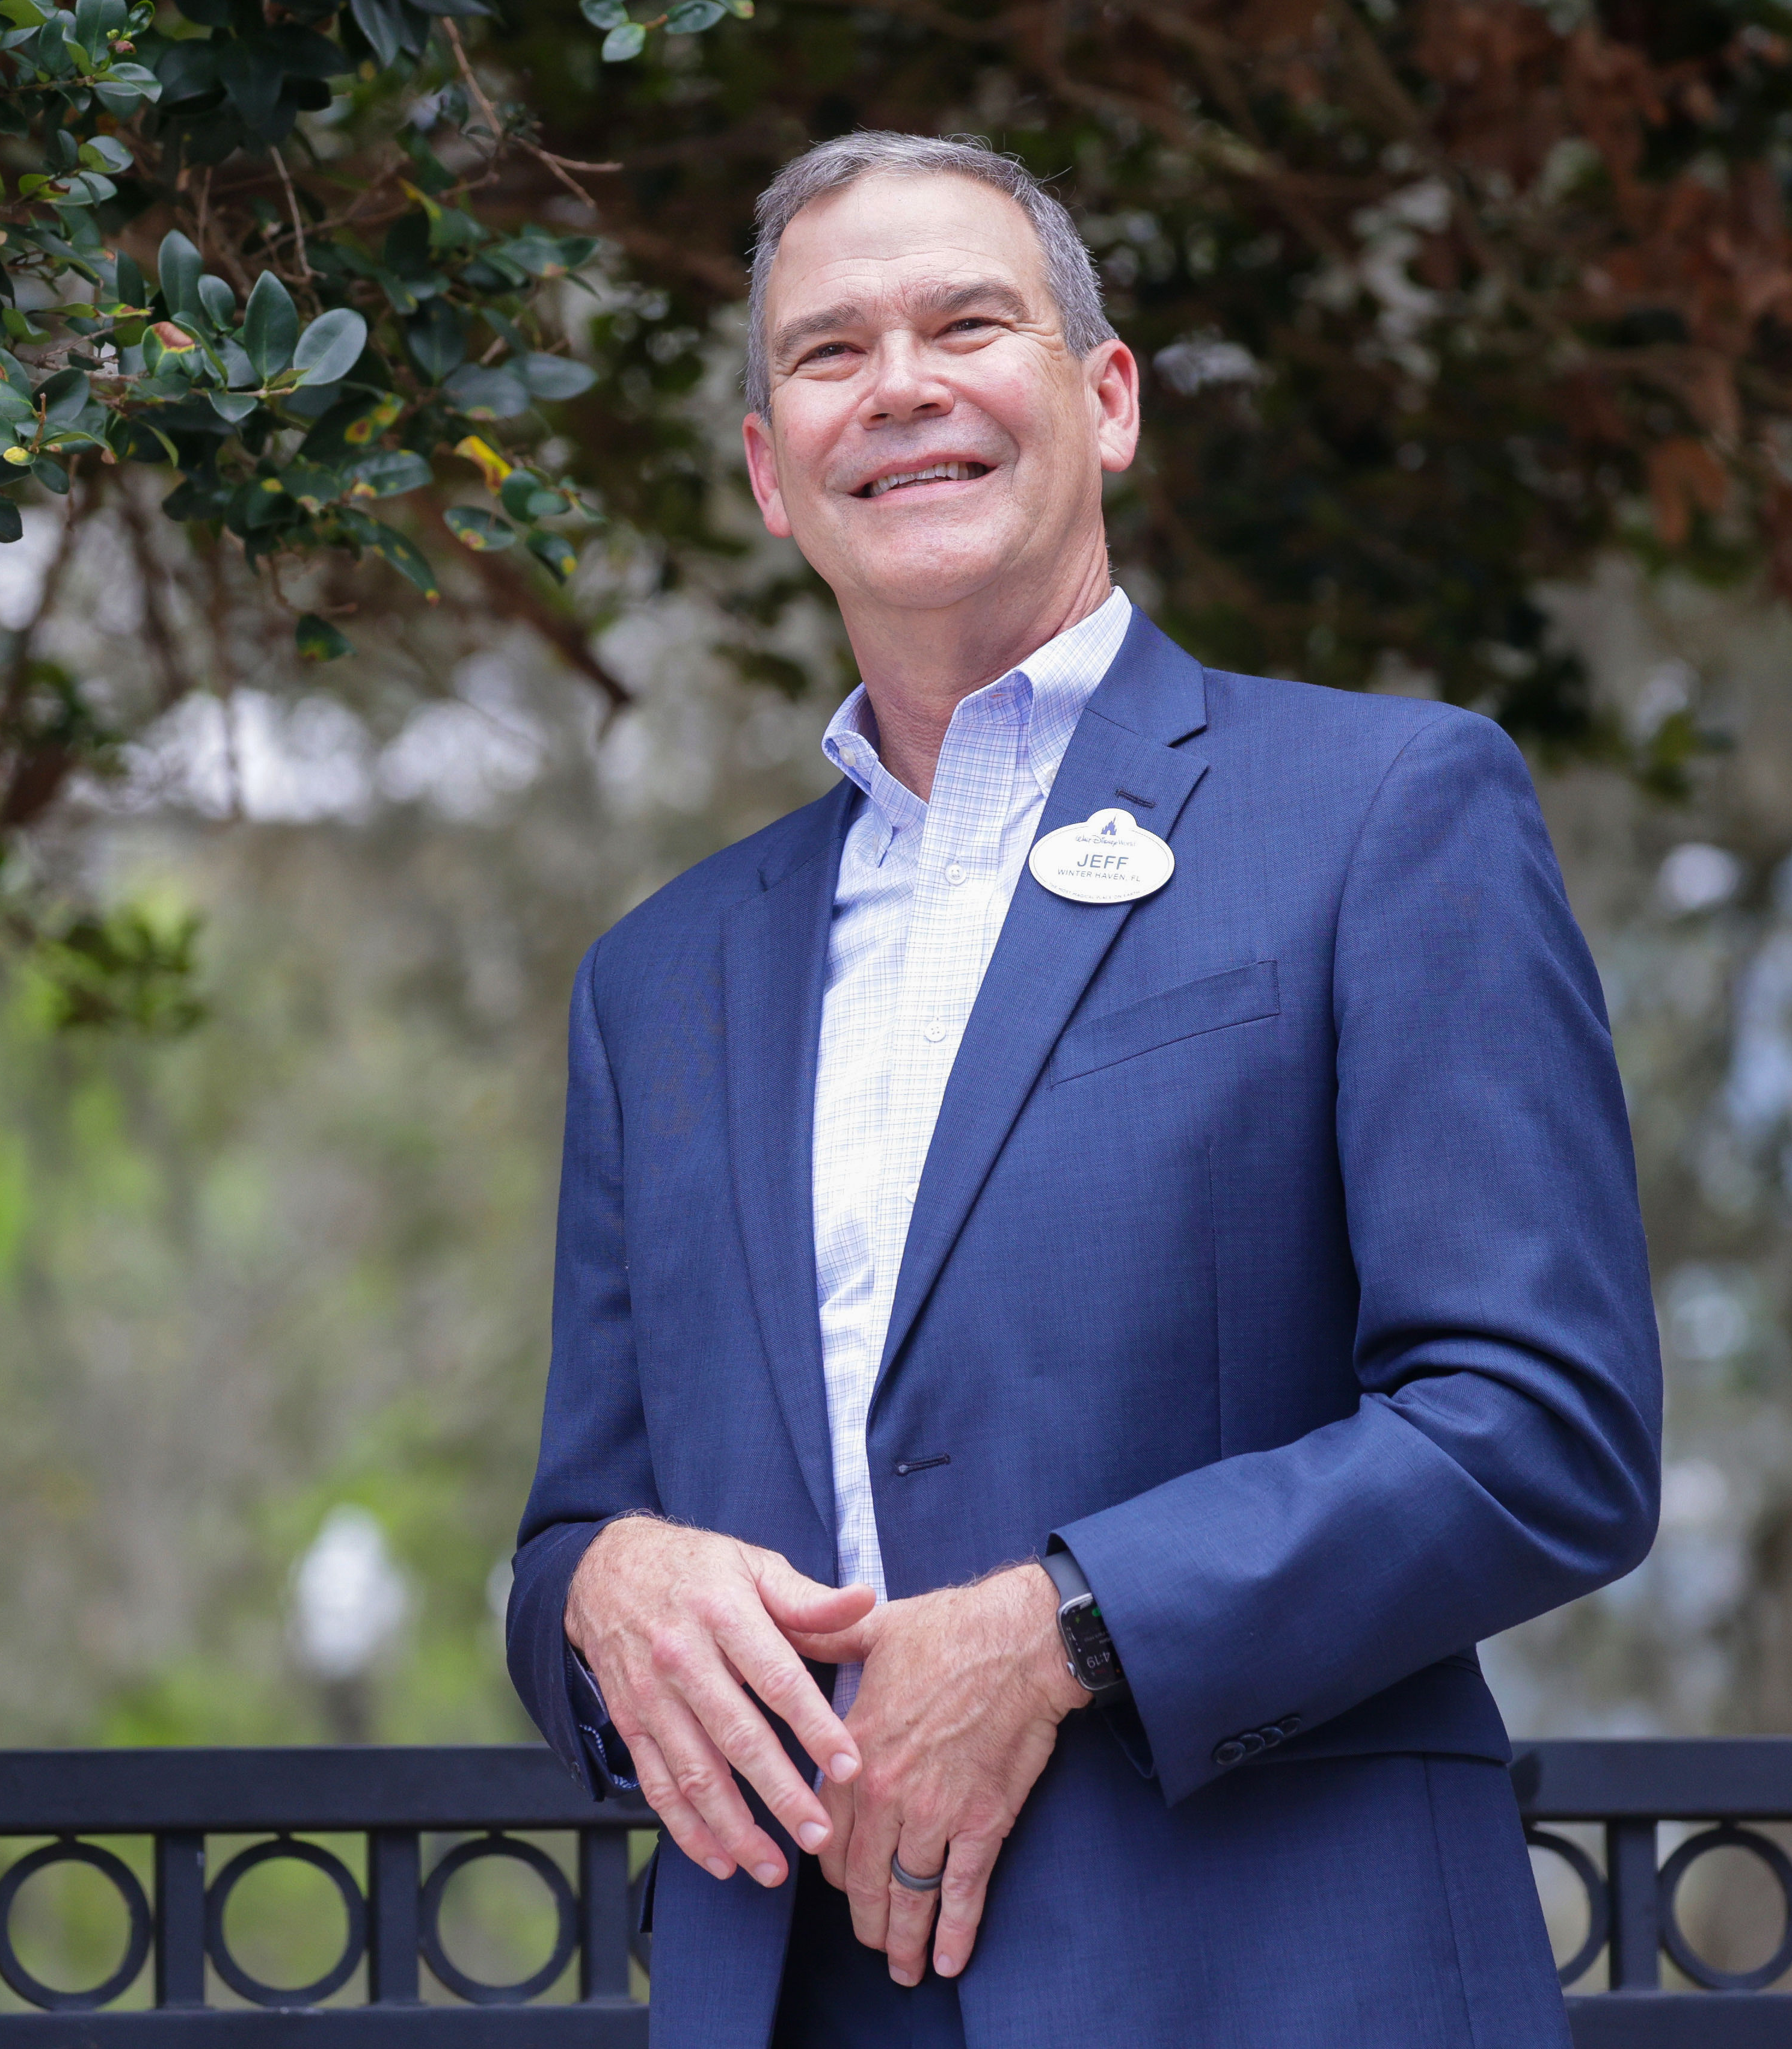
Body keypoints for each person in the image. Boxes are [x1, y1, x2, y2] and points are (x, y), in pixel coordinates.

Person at [506, 131, 1662, 2048]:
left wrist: (1057, 1631)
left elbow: (1540, 1428)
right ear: (771, 474)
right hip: (785, 1988)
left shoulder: (1385, 812)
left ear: (1105, 399)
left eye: (971, 322)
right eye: (826, 353)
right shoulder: (660, 981)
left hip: (1269, 1972)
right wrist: (601, 1592)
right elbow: (570, 1532)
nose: (902, 387)